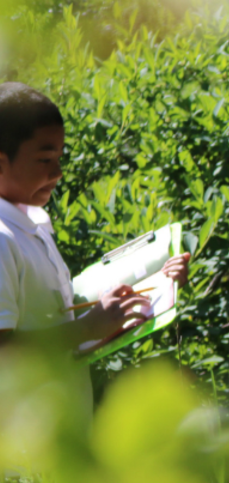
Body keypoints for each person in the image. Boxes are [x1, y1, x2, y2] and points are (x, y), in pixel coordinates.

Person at [0, 82, 189, 418]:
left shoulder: (33, 221)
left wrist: (153, 285)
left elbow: (54, 310)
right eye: (44, 159)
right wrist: (87, 328)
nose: (57, 173)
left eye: (59, 157)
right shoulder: (3, 240)